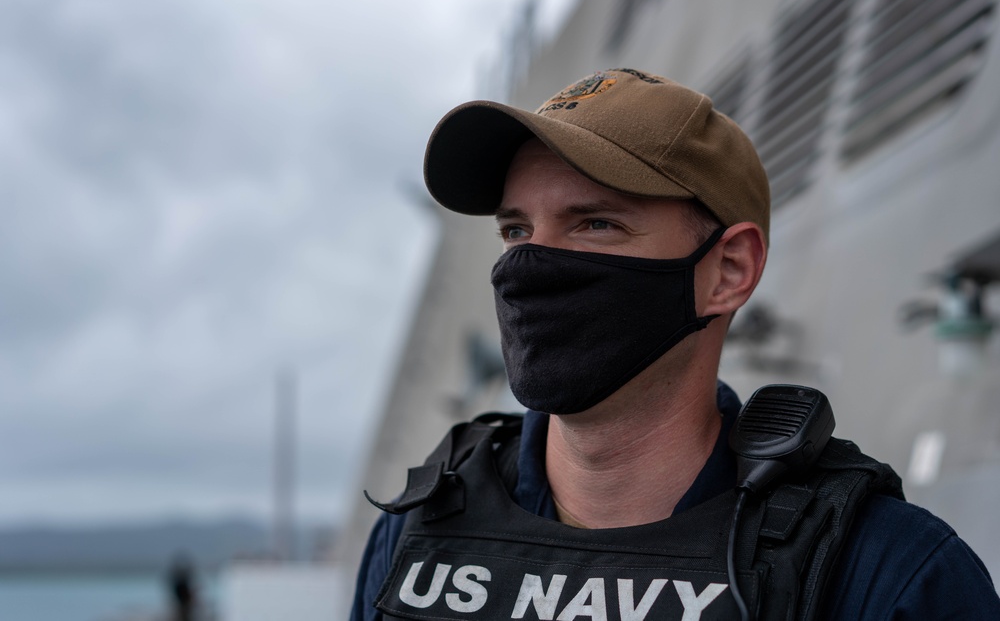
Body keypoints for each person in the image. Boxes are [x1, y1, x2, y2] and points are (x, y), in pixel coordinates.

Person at [351, 68, 1000, 620]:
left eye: (595, 223)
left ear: (729, 270)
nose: (530, 265)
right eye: (516, 230)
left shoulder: (883, 574)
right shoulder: (412, 539)